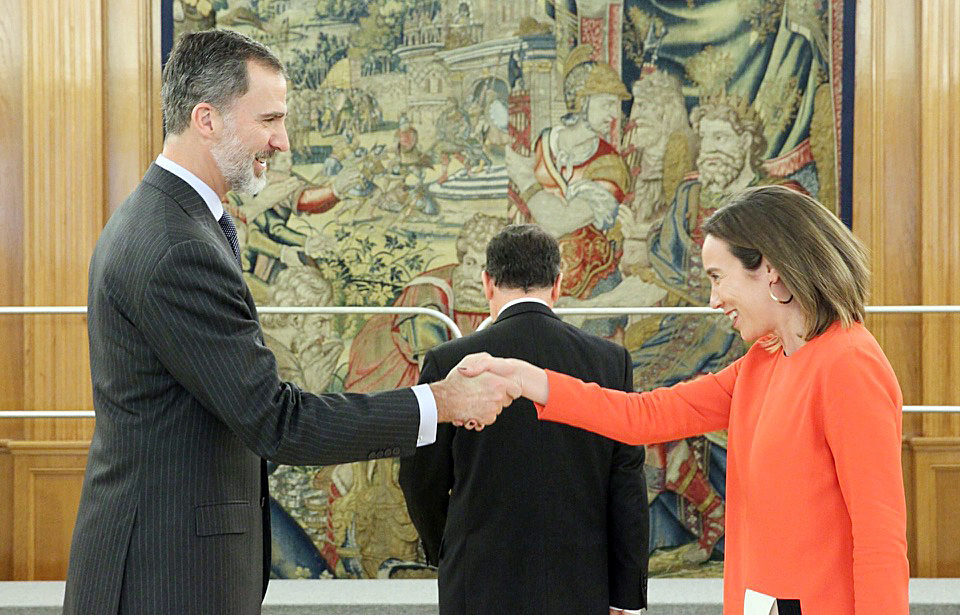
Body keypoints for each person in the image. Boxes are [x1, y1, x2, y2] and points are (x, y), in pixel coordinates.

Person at [63, 29, 518, 615]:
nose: (283, 141)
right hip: (165, 575)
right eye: (270, 120)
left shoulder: (169, 219)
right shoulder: (178, 244)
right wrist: (441, 402)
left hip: (168, 563)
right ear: (207, 119)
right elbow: (277, 422)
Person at [460, 186, 909, 614]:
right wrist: (526, 378)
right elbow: (642, 417)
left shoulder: (849, 364)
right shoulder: (762, 363)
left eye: (717, 277)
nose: (713, 300)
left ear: (771, 270)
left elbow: (880, 539)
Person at [398, 224, 649, 615]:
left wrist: (448, 548)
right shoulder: (610, 362)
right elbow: (627, 485)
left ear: (487, 282)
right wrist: (626, 598)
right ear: (558, 284)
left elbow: (419, 478)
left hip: (477, 581)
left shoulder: (449, 362)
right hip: (581, 584)